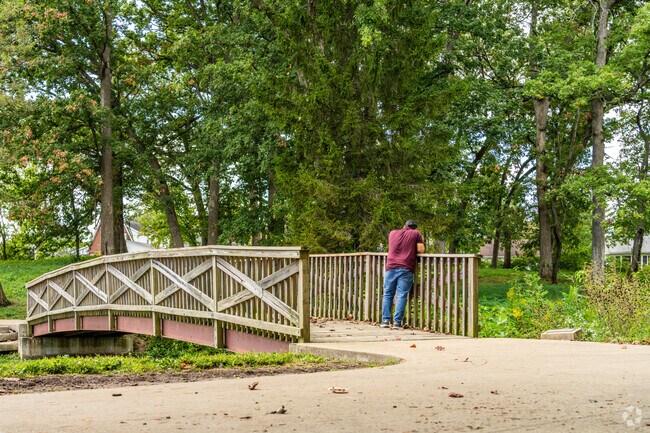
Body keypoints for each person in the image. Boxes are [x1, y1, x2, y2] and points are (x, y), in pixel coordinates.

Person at [381, 220, 424, 330]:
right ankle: (397, 322)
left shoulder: (392, 233)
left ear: (404, 226)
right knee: (401, 295)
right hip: (406, 267)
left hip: (390, 266)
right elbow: (421, 250)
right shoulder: (416, 233)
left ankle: (385, 320)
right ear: (415, 228)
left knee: (388, 293)